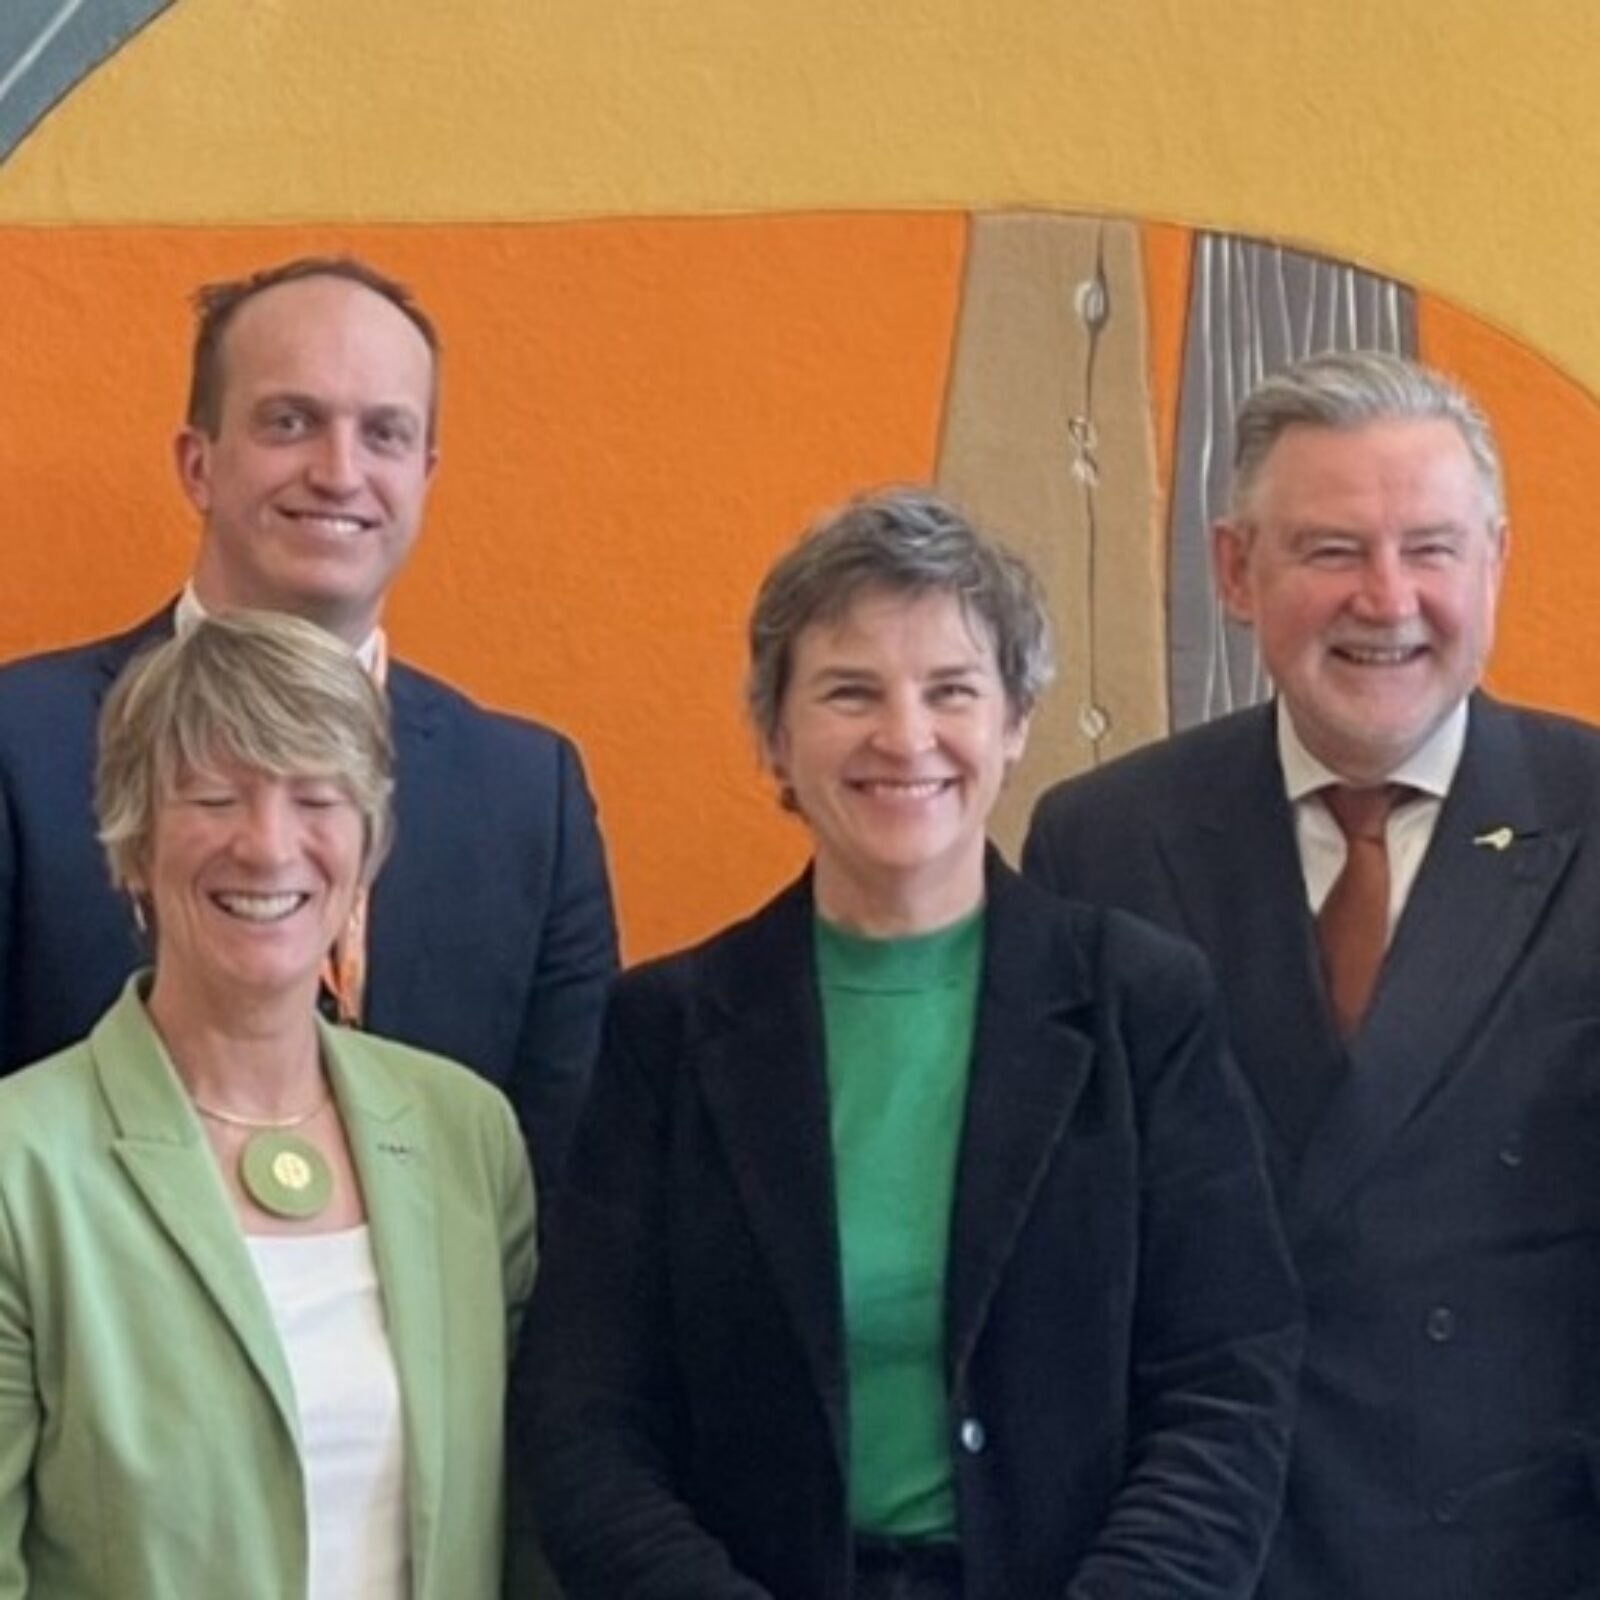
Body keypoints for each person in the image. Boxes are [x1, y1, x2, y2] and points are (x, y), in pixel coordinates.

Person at [517, 487, 1300, 1600]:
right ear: (773, 734)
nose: (905, 735)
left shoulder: (1141, 1004)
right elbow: (585, 1416)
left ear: (1016, 720)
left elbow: (1225, 1384)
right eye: (849, 691)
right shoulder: (668, 1031)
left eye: (951, 691)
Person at [1024, 349, 1600, 1599]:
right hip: (1204, 1553)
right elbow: (1063, 1250)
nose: (1385, 598)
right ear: (1236, 569)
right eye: (1332, 550)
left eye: (1430, 548)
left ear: (1496, 559)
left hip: (1517, 1553)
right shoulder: (1103, 838)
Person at [0, 255, 616, 1189]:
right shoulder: (17, 744)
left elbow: (564, 1183)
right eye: (291, 423)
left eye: (384, 434)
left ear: (424, 474)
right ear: (198, 464)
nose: (338, 472)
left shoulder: (532, 799)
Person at [0, 611, 536, 1598]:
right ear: (130, 841)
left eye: (317, 796)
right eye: (214, 795)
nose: (268, 843)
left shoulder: (470, 1135)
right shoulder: (19, 1166)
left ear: (368, 845)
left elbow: (523, 1519)